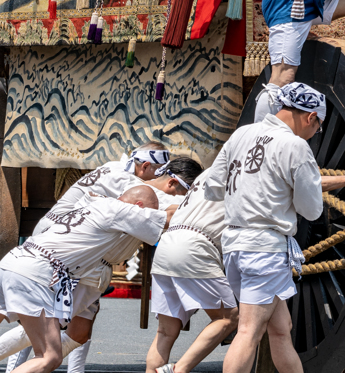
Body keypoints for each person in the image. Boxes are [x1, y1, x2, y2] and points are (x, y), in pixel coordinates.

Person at [206, 82, 345, 373]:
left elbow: (213, 187)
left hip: (234, 244)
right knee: (248, 332)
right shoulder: (295, 145)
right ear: (311, 117)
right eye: (317, 127)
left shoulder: (242, 134)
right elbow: (311, 209)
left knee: (281, 328)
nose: (315, 133)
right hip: (264, 250)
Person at [2, 156, 198, 373]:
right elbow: (171, 217)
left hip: (17, 260)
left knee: (74, 332)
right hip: (46, 270)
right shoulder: (125, 210)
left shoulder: (99, 198)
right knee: (48, 354)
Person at [146, 167, 239, 373]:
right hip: (195, 245)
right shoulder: (247, 168)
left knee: (165, 332)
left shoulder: (208, 173)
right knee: (229, 318)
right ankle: (179, 370)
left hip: (167, 244)